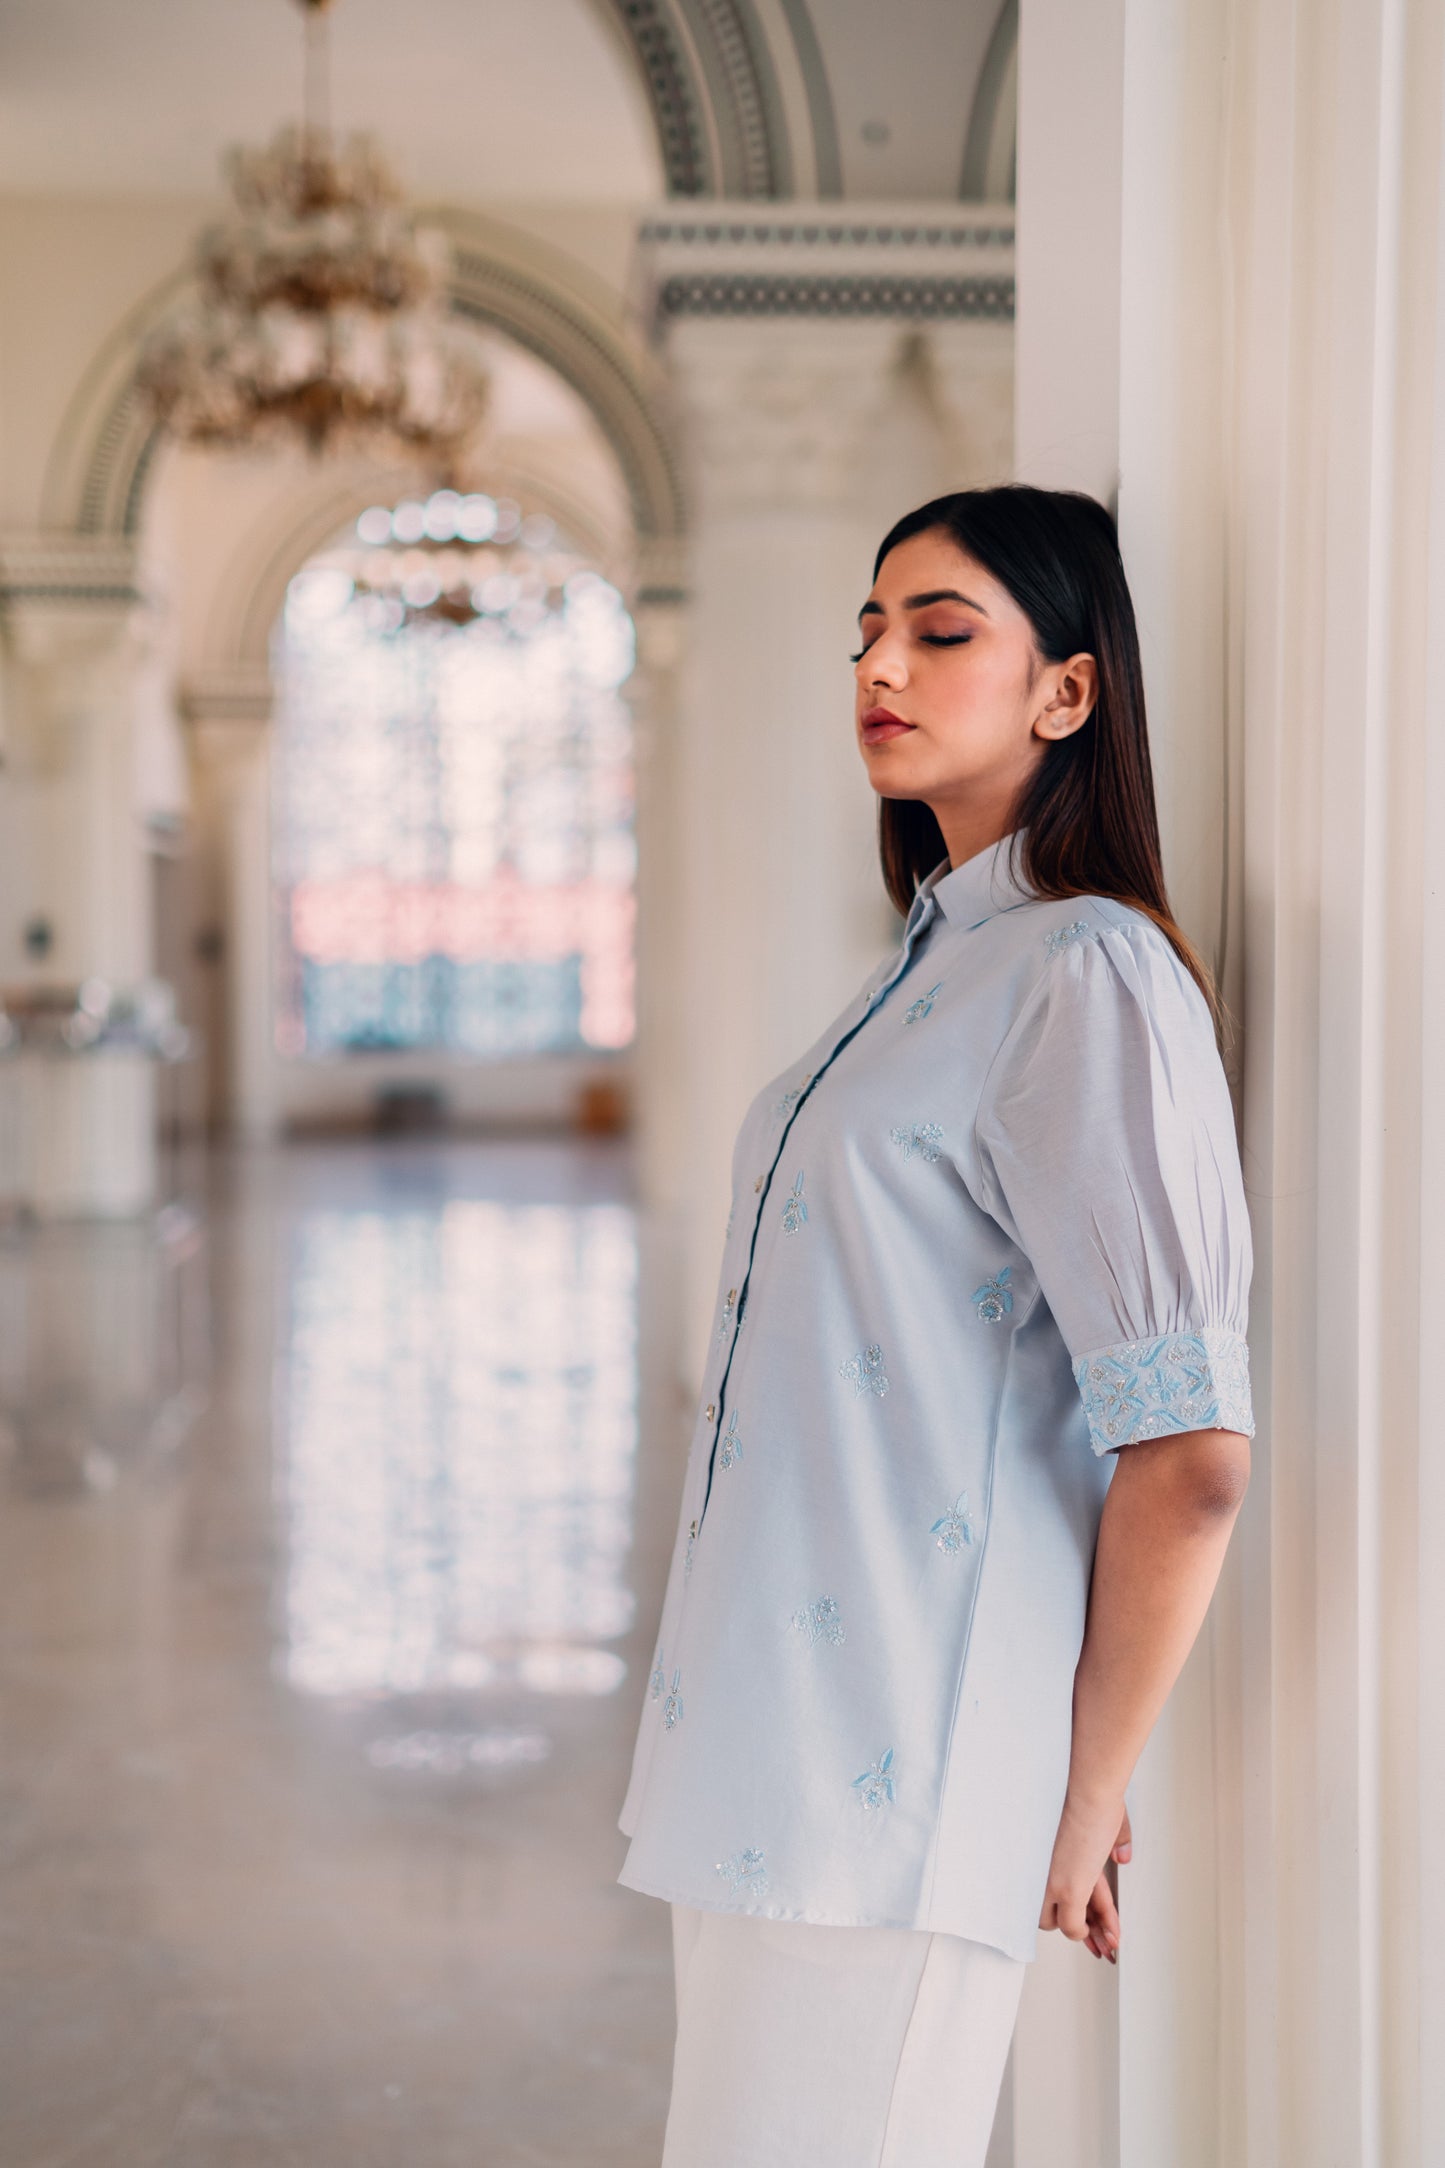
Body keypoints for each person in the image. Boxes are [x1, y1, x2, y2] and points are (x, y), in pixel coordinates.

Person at [615, 485, 1255, 2168]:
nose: (879, 666)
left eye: (941, 630)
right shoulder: (929, 966)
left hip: (895, 1776)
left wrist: (1086, 1789)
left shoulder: (1085, 977)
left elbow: (1186, 1447)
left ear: (1068, 690)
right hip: (759, 1743)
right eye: (867, 632)